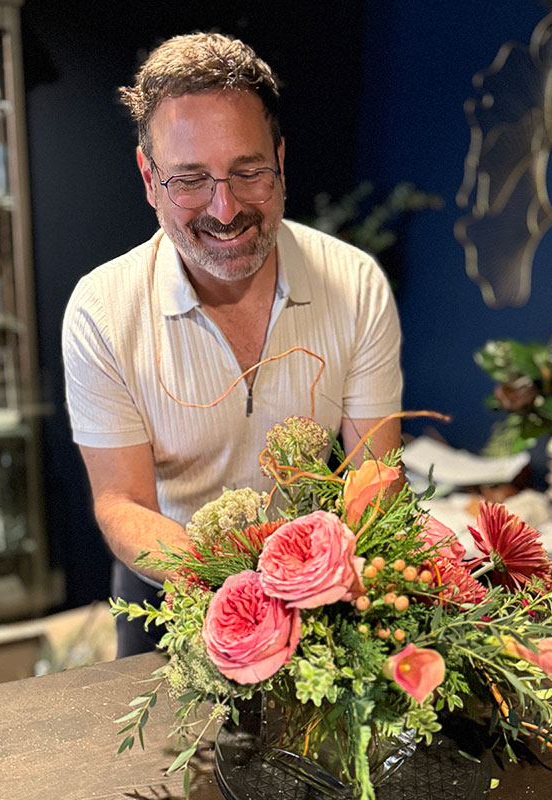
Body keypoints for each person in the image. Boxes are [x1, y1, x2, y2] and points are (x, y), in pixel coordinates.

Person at [62, 32, 403, 656]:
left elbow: (374, 473)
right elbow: (121, 501)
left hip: (317, 589)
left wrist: (308, 585)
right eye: (190, 180)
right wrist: (239, 587)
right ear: (149, 178)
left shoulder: (355, 285)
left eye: (248, 173)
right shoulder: (102, 311)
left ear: (280, 160)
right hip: (169, 591)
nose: (225, 210)